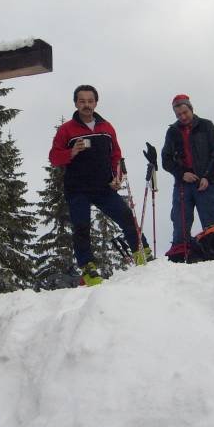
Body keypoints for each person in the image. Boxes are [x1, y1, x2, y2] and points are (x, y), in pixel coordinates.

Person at [49, 85, 151, 286]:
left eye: (90, 101)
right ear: (76, 103)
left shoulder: (107, 127)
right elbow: (53, 157)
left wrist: (117, 177)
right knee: (81, 227)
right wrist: (71, 152)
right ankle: (88, 269)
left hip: (103, 187)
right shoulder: (66, 130)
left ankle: (142, 253)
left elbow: (116, 155)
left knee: (126, 216)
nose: (86, 105)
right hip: (77, 188)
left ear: (96, 103)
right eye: (82, 101)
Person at [161, 94, 214, 252]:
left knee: (212, 226)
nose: (183, 117)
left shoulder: (206, 126)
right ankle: (180, 254)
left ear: (191, 109)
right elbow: (166, 160)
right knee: (180, 225)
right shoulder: (172, 131)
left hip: (205, 184)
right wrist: (182, 174)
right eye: (178, 115)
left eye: (185, 112)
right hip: (182, 185)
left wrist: (208, 176)